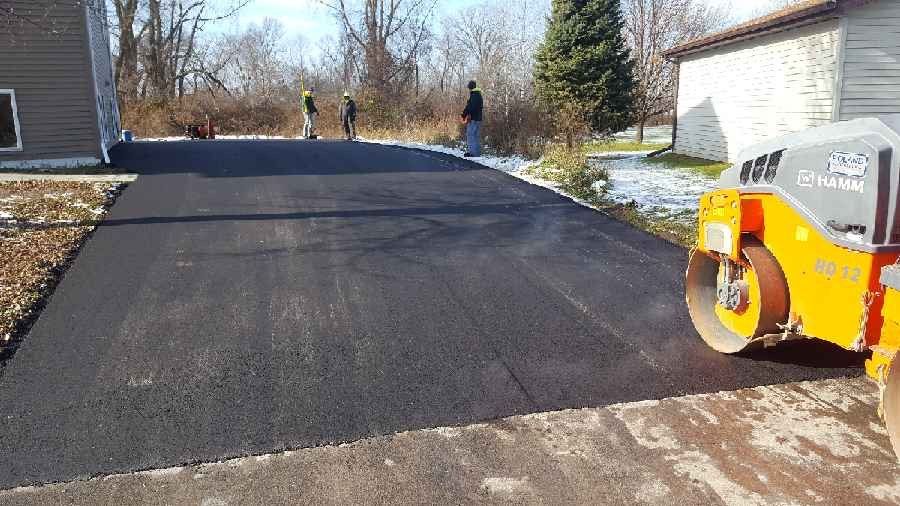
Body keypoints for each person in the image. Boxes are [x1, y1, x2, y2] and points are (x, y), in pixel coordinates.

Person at [460, 80, 483, 157]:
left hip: (474, 119)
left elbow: (470, 107)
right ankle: (476, 153)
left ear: (470, 87)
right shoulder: (478, 94)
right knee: (475, 136)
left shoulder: (474, 95)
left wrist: (464, 115)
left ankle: (472, 153)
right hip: (478, 119)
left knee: (470, 135)